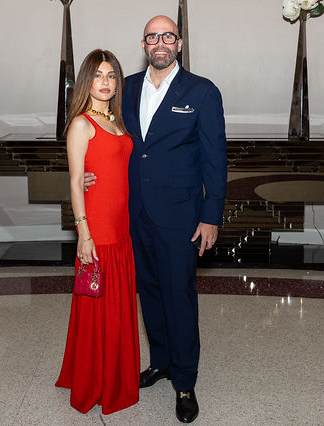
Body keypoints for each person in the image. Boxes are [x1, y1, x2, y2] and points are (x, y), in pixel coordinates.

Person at [85, 15, 227, 423]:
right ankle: (161, 362)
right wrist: (87, 172)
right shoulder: (126, 87)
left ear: (178, 43)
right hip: (132, 214)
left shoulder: (202, 91)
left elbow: (215, 159)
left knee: (178, 296)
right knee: (148, 291)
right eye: (152, 37)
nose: (160, 42)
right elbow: (102, 132)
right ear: (144, 44)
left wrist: (211, 216)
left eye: (167, 36)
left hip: (181, 217)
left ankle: (184, 381)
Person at [55, 49, 140, 415]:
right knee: (98, 305)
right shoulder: (82, 123)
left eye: (111, 75)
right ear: (86, 81)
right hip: (98, 228)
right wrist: (84, 234)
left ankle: (115, 374)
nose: (105, 82)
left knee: (118, 304)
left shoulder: (117, 121)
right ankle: (95, 380)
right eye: (98, 75)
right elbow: (76, 182)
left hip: (122, 226)